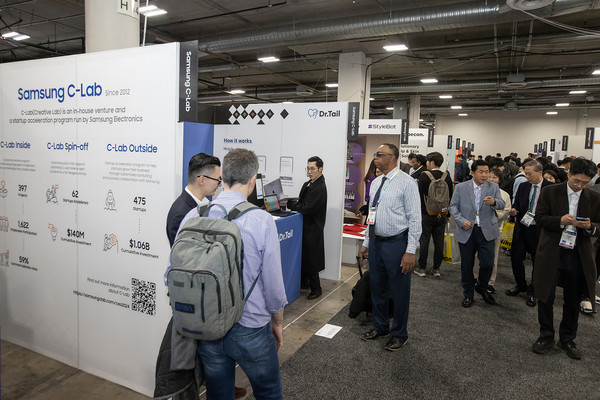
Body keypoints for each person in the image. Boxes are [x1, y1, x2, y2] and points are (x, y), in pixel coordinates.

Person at [181, 148, 288, 397]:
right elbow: (273, 285)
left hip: (207, 325)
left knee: (218, 394)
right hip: (250, 325)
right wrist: (278, 322)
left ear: (224, 177)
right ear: (252, 180)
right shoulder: (261, 220)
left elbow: (171, 273)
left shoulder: (194, 215)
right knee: (269, 392)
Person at [531, 157, 600, 360]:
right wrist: (560, 221)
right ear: (569, 174)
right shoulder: (550, 192)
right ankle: (546, 335)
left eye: (585, 183)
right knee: (546, 295)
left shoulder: (594, 197)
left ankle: (567, 338)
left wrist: (590, 227)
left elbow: (599, 226)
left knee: (573, 298)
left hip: (578, 253)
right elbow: (540, 218)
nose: (580, 186)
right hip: (552, 250)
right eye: (576, 181)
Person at [358, 143, 421, 352]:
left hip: (397, 244)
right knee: (377, 287)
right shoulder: (376, 182)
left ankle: (399, 333)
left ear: (393, 157)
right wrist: (367, 242)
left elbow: (415, 219)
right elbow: (371, 215)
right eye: (375, 154)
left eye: (379, 154)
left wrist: (410, 250)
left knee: (400, 291)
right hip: (376, 243)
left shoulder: (407, 183)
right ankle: (380, 326)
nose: (375, 157)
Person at [449, 160, 505, 307]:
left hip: (486, 230)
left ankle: (481, 287)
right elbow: (453, 207)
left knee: (488, 263)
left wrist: (494, 202)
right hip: (467, 229)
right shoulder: (461, 187)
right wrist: (461, 221)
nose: (485, 175)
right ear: (472, 173)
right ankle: (468, 294)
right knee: (467, 265)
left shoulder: (493, 187)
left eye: (487, 172)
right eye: (481, 172)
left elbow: (502, 204)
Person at [505, 160, 551, 307]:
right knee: (516, 257)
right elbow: (517, 204)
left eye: (530, 174)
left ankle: (533, 290)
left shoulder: (550, 188)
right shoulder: (524, 186)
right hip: (522, 226)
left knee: (538, 262)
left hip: (539, 230)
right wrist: (514, 210)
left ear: (539, 172)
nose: (527, 177)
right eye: (526, 174)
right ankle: (520, 284)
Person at [288, 156, 327, 300]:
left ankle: (316, 289)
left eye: (313, 169)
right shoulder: (309, 184)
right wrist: (294, 203)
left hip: (313, 228)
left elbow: (307, 208)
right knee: (305, 256)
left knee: (312, 259)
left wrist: (292, 205)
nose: (309, 172)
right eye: (308, 168)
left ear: (320, 169)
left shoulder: (319, 187)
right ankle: (304, 282)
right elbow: (302, 202)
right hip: (305, 226)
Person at [166, 153, 221, 246]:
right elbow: (181, 251)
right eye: (218, 180)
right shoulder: (180, 214)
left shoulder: (205, 204)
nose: (220, 184)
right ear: (202, 180)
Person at [414, 151, 453, 278]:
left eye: (427, 161)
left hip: (426, 213)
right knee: (439, 242)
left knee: (424, 241)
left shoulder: (424, 176)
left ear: (431, 162)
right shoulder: (447, 177)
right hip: (442, 214)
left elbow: (419, 195)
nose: (426, 163)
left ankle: (422, 268)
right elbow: (450, 196)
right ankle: (436, 269)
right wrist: (448, 214)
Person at [474, 167, 511, 293]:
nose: (490, 179)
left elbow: (506, 211)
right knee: (476, 256)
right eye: (489, 176)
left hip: (495, 229)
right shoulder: (479, 190)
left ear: (499, 180)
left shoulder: (504, 195)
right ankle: (475, 277)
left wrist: (495, 215)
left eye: (494, 177)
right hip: (478, 228)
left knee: (492, 258)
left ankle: (490, 282)